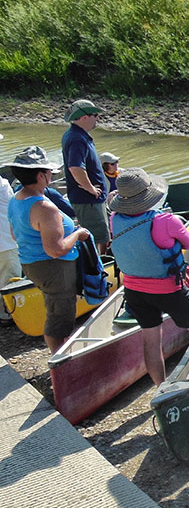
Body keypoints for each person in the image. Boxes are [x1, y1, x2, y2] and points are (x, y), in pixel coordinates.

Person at [108, 168, 189, 385]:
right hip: (168, 290)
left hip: (133, 292)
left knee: (151, 341)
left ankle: (161, 388)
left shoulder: (115, 219)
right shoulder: (167, 221)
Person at [3, 146, 90, 353]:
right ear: (42, 175)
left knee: (54, 307)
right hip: (53, 266)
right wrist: (78, 234)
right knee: (60, 314)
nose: (52, 175)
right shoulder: (44, 207)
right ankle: (59, 359)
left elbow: (15, 234)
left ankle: (59, 353)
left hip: (33, 263)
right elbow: (56, 250)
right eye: (50, 172)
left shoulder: (17, 198)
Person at [61, 99, 110, 253]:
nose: (97, 118)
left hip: (91, 199)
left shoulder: (79, 135)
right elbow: (75, 167)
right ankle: (99, 270)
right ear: (84, 117)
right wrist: (91, 189)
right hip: (88, 200)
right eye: (95, 115)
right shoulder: (77, 138)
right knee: (97, 238)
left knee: (101, 236)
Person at [0, 159, 22, 327]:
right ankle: (7, 315)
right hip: (5, 242)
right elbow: (13, 209)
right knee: (9, 278)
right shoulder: (2, 184)